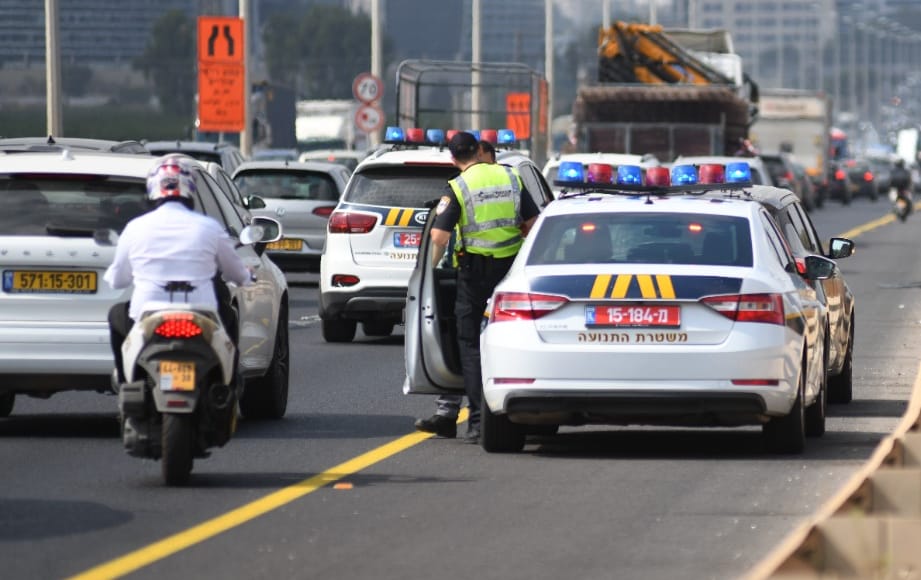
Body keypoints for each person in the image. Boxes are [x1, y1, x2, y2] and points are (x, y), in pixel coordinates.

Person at [413, 132, 539, 443]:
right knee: (507, 336)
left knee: (470, 344)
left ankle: (478, 421)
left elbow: (440, 238)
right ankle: (501, 411)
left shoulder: (459, 185)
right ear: (480, 151)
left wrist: (427, 271)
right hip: (510, 273)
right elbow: (534, 223)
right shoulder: (511, 177)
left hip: (473, 275)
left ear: (454, 159)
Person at [104, 154, 254, 383]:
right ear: (190, 190)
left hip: (147, 314)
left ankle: (126, 381)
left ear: (153, 191)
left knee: (116, 315)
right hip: (201, 312)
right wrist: (247, 276)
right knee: (230, 317)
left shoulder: (135, 228)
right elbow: (236, 273)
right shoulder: (209, 227)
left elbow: (117, 280)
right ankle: (230, 383)